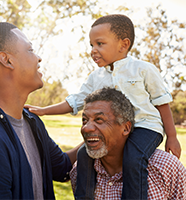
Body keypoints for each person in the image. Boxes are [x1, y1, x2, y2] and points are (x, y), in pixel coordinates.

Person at [24, 14, 181, 199]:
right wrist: (44, 111)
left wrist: (171, 136)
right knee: (83, 155)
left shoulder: (143, 69)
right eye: (91, 45)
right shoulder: (96, 77)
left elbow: (162, 103)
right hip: (112, 131)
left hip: (145, 128)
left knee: (133, 158)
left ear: (123, 45)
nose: (93, 50)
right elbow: (75, 101)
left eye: (100, 44)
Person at [0, 22, 82, 200]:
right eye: (30, 50)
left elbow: (61, 167)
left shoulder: (31, 121)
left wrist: (99, 135)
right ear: (7, 60)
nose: (38, 58)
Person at [70, 87, 186, 200]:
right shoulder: (80, 171)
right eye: (84, 120)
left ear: (126, 128)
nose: (86, 128)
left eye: (99, 119)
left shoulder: (166, 167)